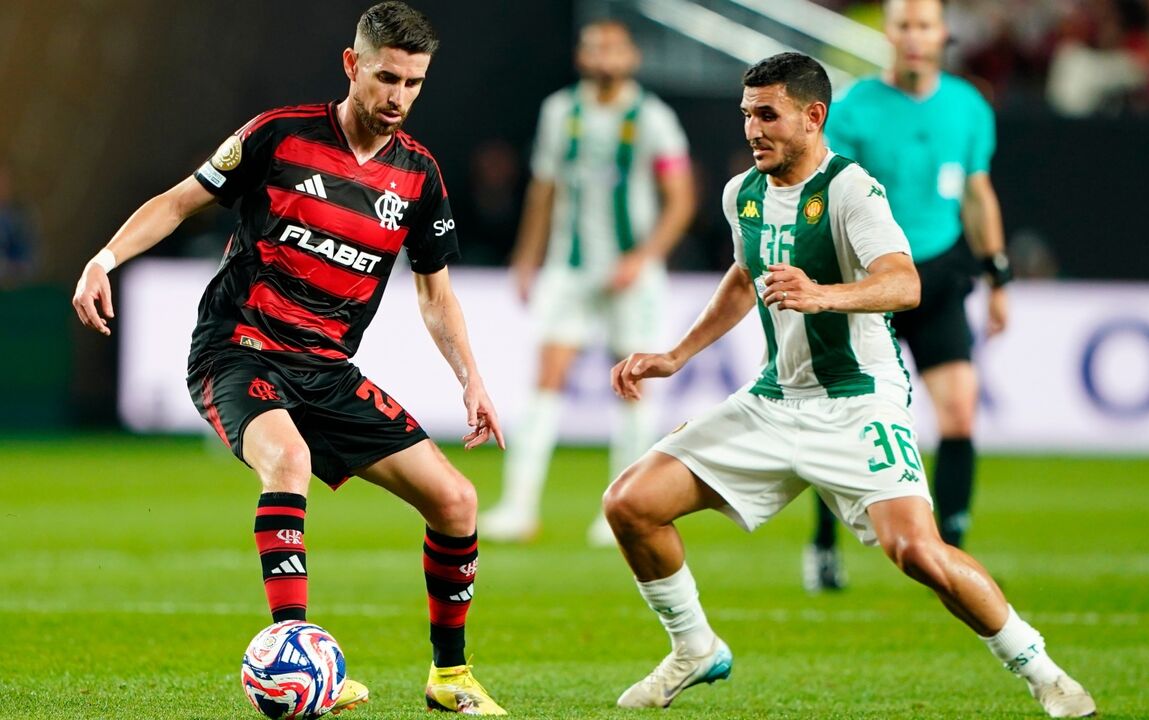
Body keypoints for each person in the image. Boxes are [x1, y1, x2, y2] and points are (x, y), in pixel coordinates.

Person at [602, 52, 1096, 718]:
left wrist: (824, 295)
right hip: (775, 401)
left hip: (859, 401)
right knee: (629, 504)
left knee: (917, 551)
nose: (753, 128)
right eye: (746, 114)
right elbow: (746, 279)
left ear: (814, 117)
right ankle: (694, 646)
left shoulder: (852, 190)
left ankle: (1044, 673)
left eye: (767, 114)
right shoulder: (742, 192)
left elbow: (904, 282)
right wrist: (676, 355)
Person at [71, 3, 507, 715]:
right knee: (289, 461)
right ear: (351, 64)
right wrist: (105, 257)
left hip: (326, 370)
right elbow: (181, 203)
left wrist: (473, 381)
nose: (398, 97)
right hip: (237, 351)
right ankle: (295, 662)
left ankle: (450, 678)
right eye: (386, 77)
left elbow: (435, 294)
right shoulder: (278, 135)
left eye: (414, 83)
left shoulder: (419, 176)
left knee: (457, 502)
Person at [803, 0, 1015, 593]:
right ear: (889, 34)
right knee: (849, 423)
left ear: (942, 33)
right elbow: (829, 194)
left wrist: (998, 277)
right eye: (904, 26)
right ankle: (823, 543)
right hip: (872, 276)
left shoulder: (968, 106)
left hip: (942, 274)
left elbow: (977, 194)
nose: (915, 36)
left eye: (925, 25)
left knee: (959, 412)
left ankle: (951, 552)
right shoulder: (853, 109)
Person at [477, 20, 695, 546]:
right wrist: (527, 257)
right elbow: (544, 189)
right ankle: (519, 507)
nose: (604, 56)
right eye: (595, 46)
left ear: (631, 57)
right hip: (569, 269)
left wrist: (643, 257)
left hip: (631, 275)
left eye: (613, 47)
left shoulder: (654, 118)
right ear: (581, 56)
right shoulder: (560, 112)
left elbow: (681, 199)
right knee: (545, 380)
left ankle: (622, 510)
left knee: (633, 387)